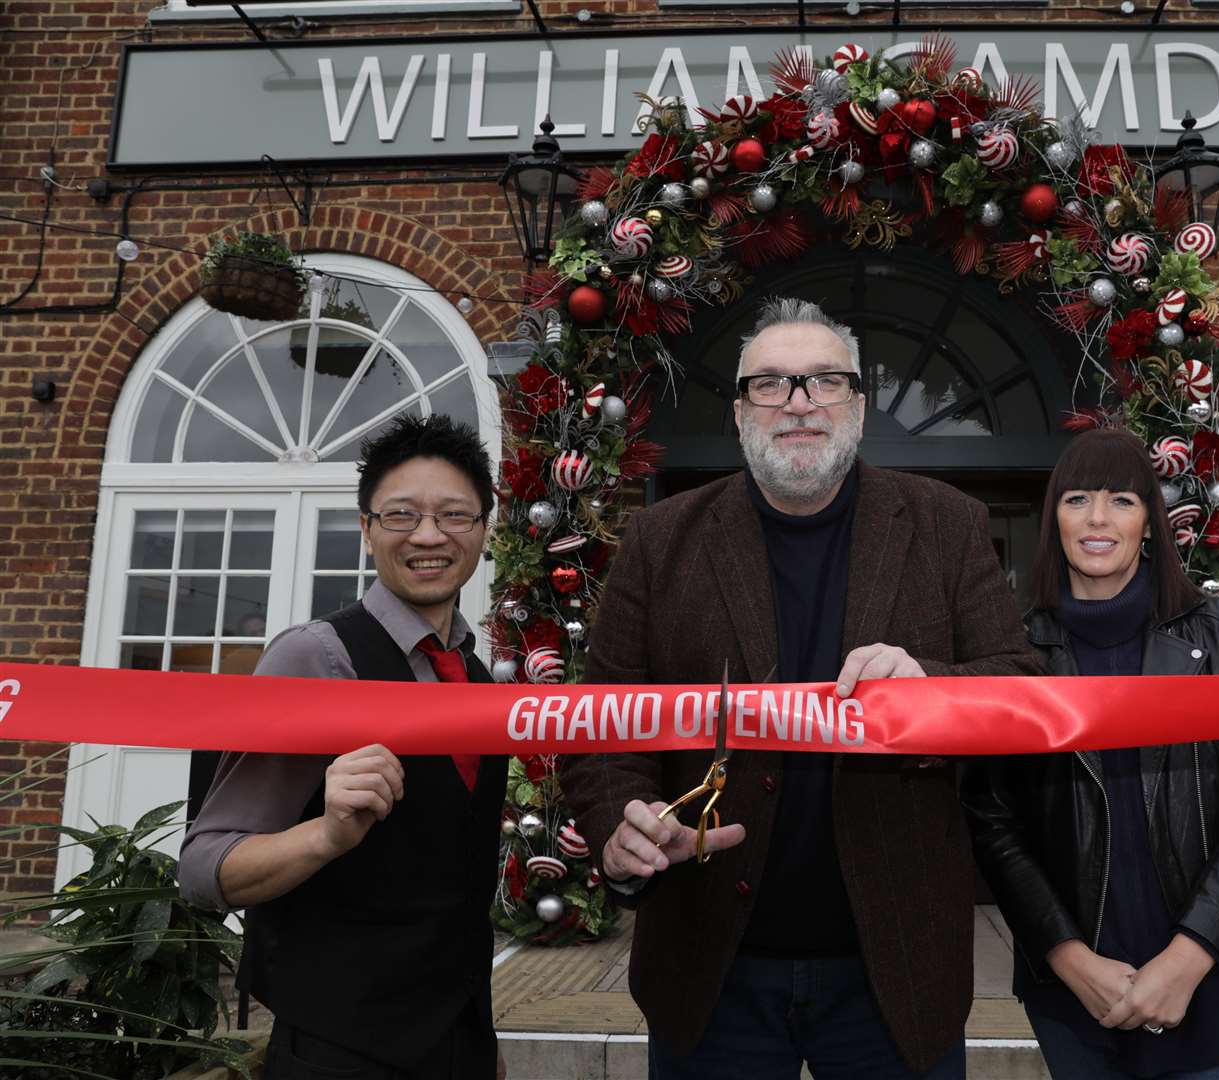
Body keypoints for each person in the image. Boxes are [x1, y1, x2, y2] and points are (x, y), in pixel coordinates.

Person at [559, 296, 1039, 1080]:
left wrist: (929, 684)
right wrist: (624, 830)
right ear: (741, 411)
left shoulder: (946, 524)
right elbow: (606, 720)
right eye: (771, 385)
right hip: (709, 968)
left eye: (824, 381)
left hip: (897, 969)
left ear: (858, 403)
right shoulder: (659, 539)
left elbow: (1019, 689)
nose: (799, 403)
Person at [961, 427, 1219, 1079]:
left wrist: (1187, 959)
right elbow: (994, 825)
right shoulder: (1013, 653)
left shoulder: (1218, 633)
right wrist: (1066, 956)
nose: (1098, 519)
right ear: (1053, 520)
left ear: (1150, 521)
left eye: (1121, 500)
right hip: (1080, 1000)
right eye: (1077, 499)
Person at [179, 414, 507, 1080]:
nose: (428, 536)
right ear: (365, 531)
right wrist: (325, 836)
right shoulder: (315, 659)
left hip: (457, 1039)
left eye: (454, 516)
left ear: (483, 531)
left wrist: (481, 1040)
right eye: (400, 516)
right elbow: (204, 867)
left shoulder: (473, 676)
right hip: (341, 1048)